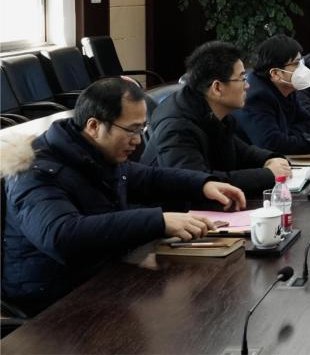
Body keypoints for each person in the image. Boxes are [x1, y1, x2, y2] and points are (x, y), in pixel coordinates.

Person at [2, 78, 246, 315]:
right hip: (51, 302)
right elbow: (62, 236)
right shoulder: (35, 172)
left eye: (142, 129)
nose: (138, 140)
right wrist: (159, 221)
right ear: (94, 126)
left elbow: (149, 178)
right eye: (131, 130)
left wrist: (203, 184)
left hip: (98, 278)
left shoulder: (95, 152)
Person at [142, 41, 291, 195]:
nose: (247, 86)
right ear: (217, 88)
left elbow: (240, 151)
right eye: (242, 78)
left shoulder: (210, 109)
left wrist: (269, 159)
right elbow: (198, 183)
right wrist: (268, 175)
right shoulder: (176, 128)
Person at [233, 35, 310, 155]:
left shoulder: (287, 87)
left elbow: (307, 120)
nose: (302, 68)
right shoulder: (257, 97)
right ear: (275, 73)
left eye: (301, 62)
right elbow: (272, 144)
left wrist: (288, 137)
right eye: (296, 64)